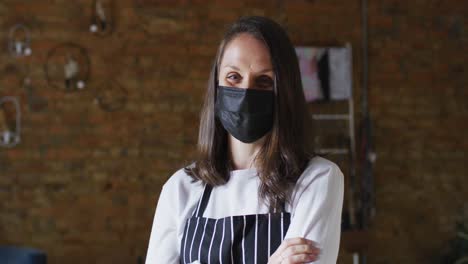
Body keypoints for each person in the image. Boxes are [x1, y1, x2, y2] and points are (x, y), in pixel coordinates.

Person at [145, 16, 344, 264]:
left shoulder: (317, 179)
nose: (245, 92)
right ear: (216, 84)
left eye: (264, 81)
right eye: (233, 77)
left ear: (285, 92)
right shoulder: (180, 188)